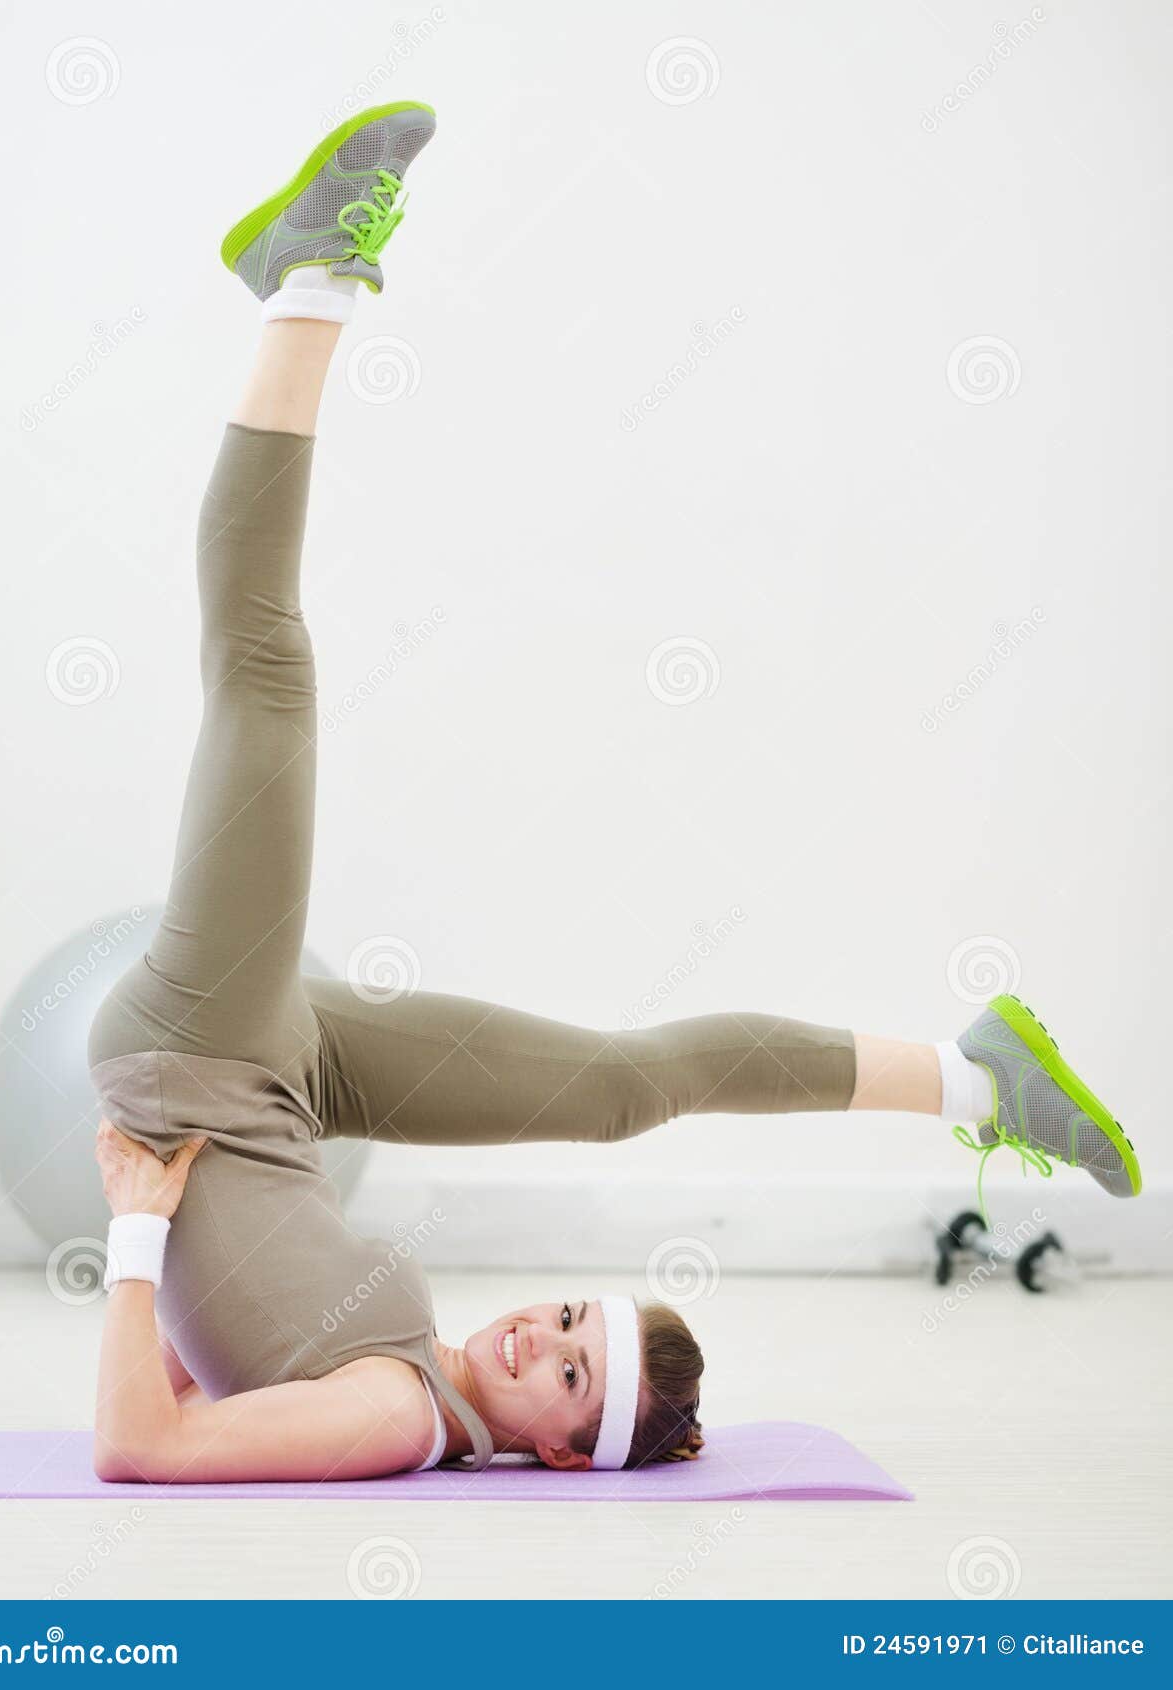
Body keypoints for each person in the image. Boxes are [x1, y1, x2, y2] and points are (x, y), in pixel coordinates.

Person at [87, 102, 1142, 1486]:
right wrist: (197, 1298)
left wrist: (139, 1231)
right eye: (575, 1320)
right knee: (626, 1087)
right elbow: (233, 1326)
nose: (540, 1336)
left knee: (266, 670)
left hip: (203, 1055)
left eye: (568, 1374)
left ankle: (307, 279)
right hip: (278, 1072)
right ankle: (978, 1077)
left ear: (560, 1451)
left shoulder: (400, 1417)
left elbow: (137, 1448)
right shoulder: (431, 1375)